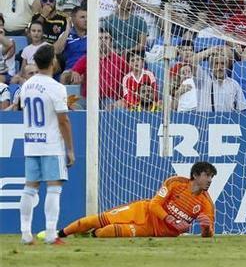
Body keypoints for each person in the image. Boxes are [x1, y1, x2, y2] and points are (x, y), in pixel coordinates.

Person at [56, 162, 216, 239]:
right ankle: (60, 234)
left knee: (107, 232)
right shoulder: (175, 183)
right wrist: (172, 219)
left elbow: (207, 235)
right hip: (142, 211)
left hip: (153, 231)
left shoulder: (206, 204)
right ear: (195, 175)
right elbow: (154, 205)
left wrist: (206, 228)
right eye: (207, 176)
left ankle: (89, 236)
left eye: (211, 177)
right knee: (97, 220)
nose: (209, 180)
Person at [19, 45, 74, 245]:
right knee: (54, 187)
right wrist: (70, 149)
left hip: (31, 142)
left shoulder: (27, 85)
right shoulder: (56, 87)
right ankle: (51, 233)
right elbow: (63, 120)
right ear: (53, 62)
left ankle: (25, 233)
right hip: (51, 143)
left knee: (29, 188)